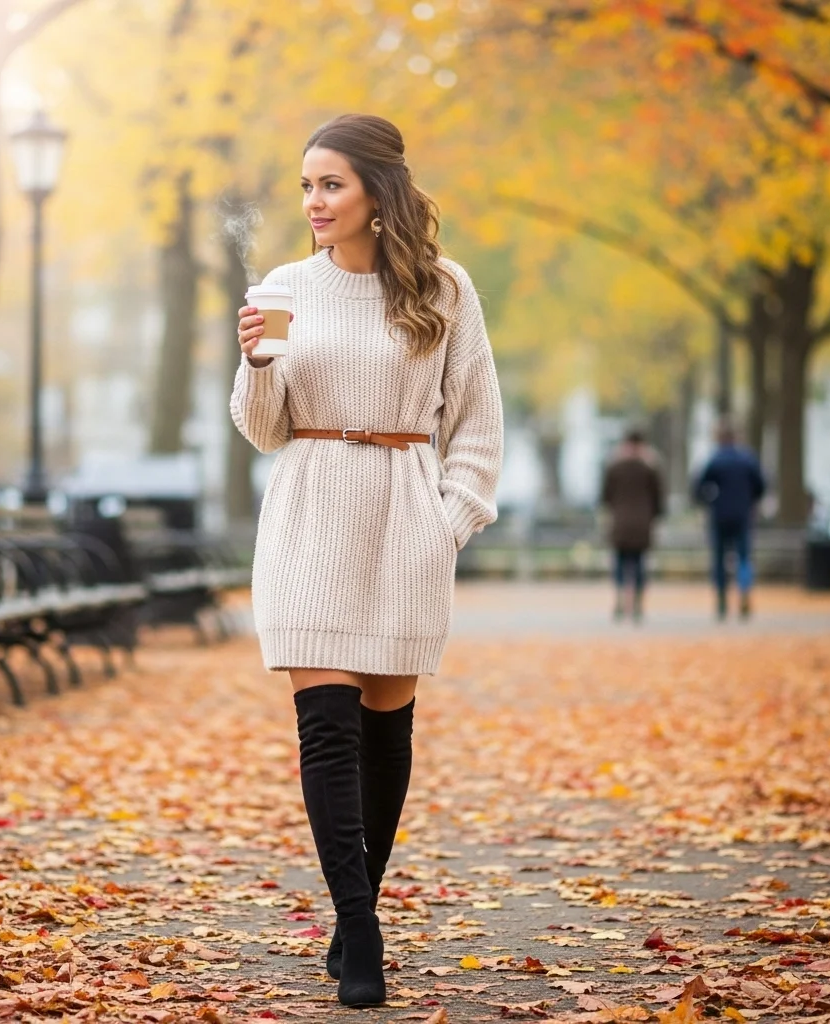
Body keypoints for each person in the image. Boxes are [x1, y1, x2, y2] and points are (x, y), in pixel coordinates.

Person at [231, 114, 503, 1007]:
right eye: (307, 184)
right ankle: (365, 932)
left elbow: (476, 424)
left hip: (403, 523)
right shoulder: (283, 287)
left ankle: (354, 919)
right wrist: (257, 363)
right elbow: (265, 431)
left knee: (387, 737)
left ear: (376, 192)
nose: (314, 201)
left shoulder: (444, 289)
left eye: (331, 184)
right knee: (328, 730)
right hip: (310, 514)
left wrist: (447, 520)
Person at [692, 421, 766, 620]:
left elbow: (699, 488)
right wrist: (749, 500)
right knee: (743, 556)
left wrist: (711, 500)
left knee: (719, 557)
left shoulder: (714, 460)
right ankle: (744, 592)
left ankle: (722, 599)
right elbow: (761, 486)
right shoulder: (747, 459)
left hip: (719, 515)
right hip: (743, 515)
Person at [600, 428, 663, 622]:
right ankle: (637, 601)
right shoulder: (650, 469)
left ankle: (620, 597)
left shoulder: (614, 468)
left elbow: (605, 497)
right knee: (639, 564)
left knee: (620, 563)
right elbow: (659, 500)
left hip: (620, 523)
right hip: (643, 523)